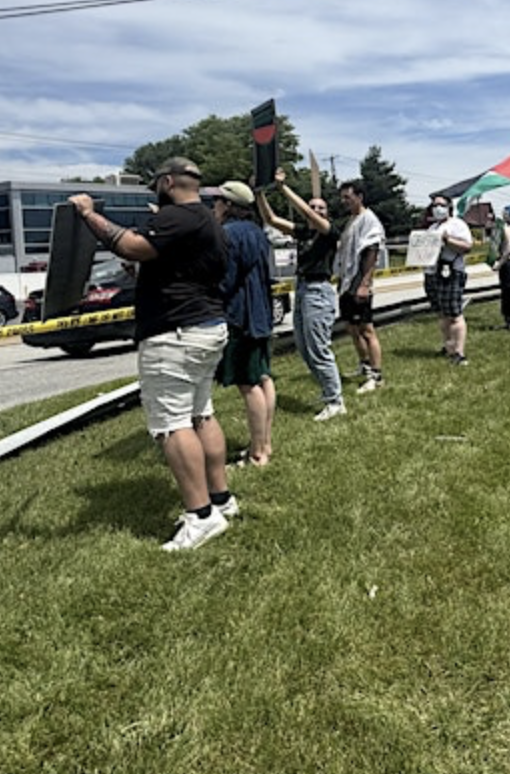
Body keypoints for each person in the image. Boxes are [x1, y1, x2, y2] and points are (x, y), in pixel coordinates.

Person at [70, 158, 235, 551]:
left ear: (167, 182)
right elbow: (174, 267)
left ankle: (201, 517)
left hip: (174, 334)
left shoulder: (178, 215)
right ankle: (221, 499)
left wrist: (89, 214)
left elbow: (130, 244)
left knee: (172, 425)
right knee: (201, 413)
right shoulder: (210, 220)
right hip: (206, 327)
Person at [260, 171, 344, 421]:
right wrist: (260, 193)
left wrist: (283, 188)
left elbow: (307, 214)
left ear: (327, 214)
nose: (315, 210)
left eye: (320, 208)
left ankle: (335, 401)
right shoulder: (304, 233)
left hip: (319, 292)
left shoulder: (329, 233)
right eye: (313, 206)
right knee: (305, 348)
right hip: (303, 289)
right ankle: (328, 391)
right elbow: (271, 219)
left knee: (319, 348)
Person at [216, 181, 276, 466]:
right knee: (263, 377)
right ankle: (265, 442)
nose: (214, 207)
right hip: (261, 314)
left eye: (217, 202)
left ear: (228, 205)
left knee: (247, 383)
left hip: (240, 317)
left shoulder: (227, 234)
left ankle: (258, 453)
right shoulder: (258, 232)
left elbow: (225, 281)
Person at [334, 179, 386, 394]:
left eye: (348, 197)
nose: (344, 201)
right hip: (346, 282)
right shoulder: (352, 220)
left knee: (366, 329)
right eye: (342, 198)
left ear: (360, 197)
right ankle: (364, 364)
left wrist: (364, 283)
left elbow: (372, 252)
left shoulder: (369, 220)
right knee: (351, 327)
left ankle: (376, 375)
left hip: (358, 281)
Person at [423, 195, 473, 366]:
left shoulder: (457, 225)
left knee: (454, 314)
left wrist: (447, 240)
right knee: (442, 313)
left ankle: (459, 352)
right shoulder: (432, 227)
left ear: (449, 207)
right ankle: (448, 346)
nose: (437, 208)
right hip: (432, 272)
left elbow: (467, 247)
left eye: (441, 205)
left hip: (451, 272)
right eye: (434, 205)